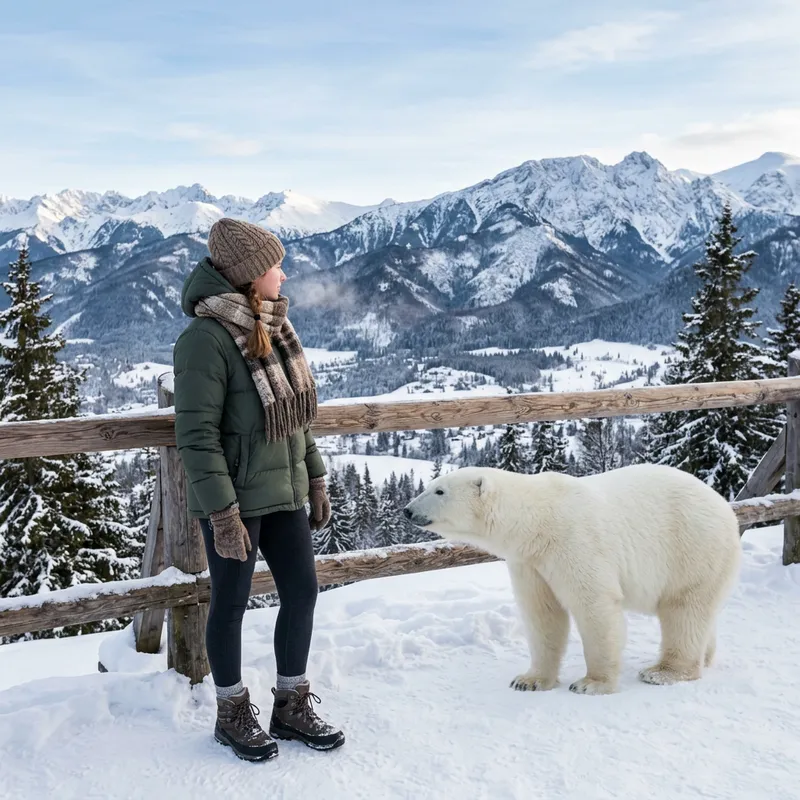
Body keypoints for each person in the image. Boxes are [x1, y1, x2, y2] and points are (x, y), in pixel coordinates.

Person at [173, 217, 344, 761]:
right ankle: (231, 712)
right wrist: (222, 513)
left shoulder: (274, 326)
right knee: (229, 604)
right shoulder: (206, 339)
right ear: (250, 277)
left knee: (302, 592)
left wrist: (314, 475)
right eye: (275, 266)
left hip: (284, 489)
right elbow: (196, 436)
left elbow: (296, 420)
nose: (283, 273)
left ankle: (290, 705)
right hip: (235, 499)